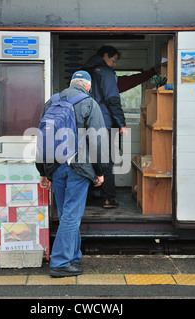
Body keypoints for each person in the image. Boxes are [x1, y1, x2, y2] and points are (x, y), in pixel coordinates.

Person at [36, 70, 108, 278]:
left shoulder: (52, 101)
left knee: (66, 214)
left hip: (56, 167)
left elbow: (42, 139)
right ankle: (60, 263)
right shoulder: (89, 103)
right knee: (71, 215)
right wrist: (100, 171)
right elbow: (98, 140)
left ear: (70, 84)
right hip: (78, 167)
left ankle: (73, 257)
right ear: (87, 86)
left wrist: (43, 171)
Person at [83, 45, 127, 209]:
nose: (114, 64)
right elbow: (112, 100)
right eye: (113, 60)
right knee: (106, 160)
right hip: (104, 123)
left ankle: (90, 195)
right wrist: (122, 123)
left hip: (85, 123)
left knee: (87, 158)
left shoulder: (84, 72)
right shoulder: (106, 74)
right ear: (106, 56)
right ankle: (107, 197)